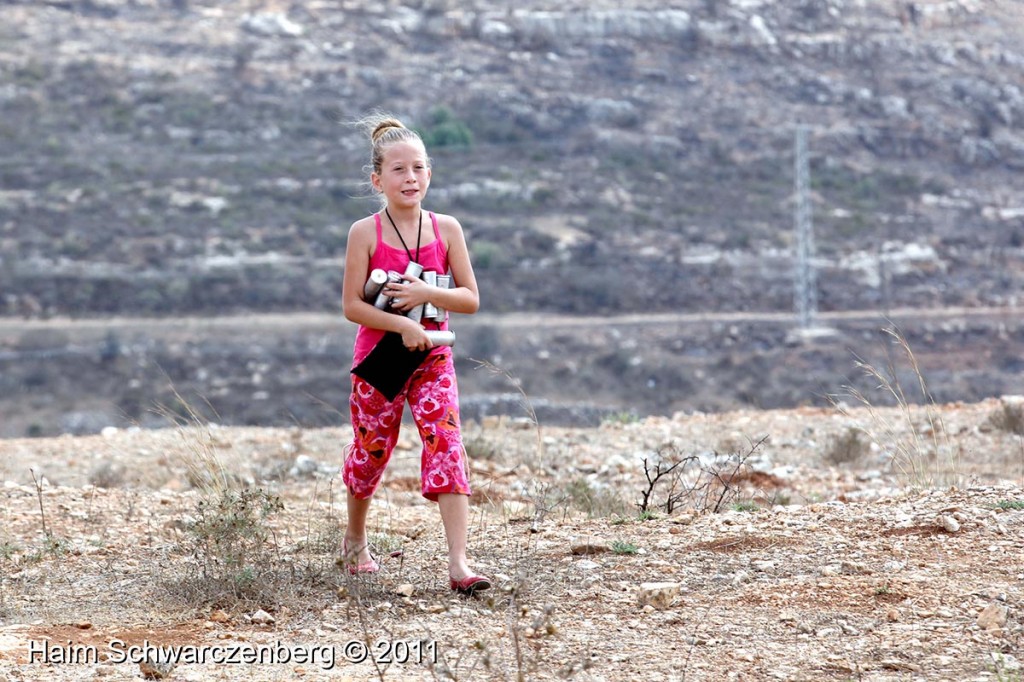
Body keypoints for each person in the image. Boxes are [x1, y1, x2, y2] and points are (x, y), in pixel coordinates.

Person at [338, 114, 491, 596]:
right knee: (370, 454)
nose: (410, 178)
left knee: (446, 445)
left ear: (430, 173)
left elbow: (469, 298)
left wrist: (427, 293)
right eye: (399, 170)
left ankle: (459, 564)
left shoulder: (447, 229)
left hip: (433, 359)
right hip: (379, 360)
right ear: (377, 179)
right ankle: (356, 540)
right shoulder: (365, 233)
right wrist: (403, 322)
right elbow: (351, 306)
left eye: (419, 168)